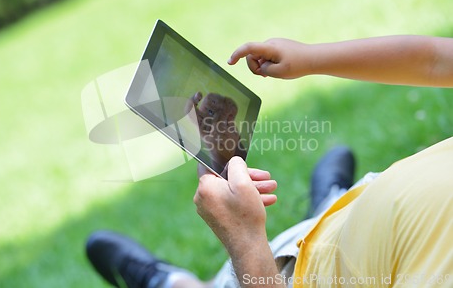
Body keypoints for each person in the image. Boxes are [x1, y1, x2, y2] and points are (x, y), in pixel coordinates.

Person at [86, 35, 453, 288]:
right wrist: (310, 58)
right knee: (329, 223)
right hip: (346, 222)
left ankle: (166, 281)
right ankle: (329, 204)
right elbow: (437, 60)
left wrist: (245, 239)